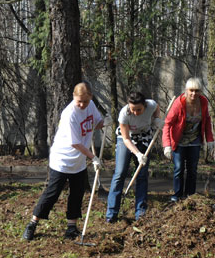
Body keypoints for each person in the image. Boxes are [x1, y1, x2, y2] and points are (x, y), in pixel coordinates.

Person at [22, 82, 104, 241]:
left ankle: (71, 228)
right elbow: (75, 143)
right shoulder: (69, 114)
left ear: (90, 98)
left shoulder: (91, 105)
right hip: (62, 160)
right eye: (78, 101)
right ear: (74, 97)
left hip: (78, 162)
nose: (81, 104)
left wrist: (105, 122)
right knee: (52, 194)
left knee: (77, 193)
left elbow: (96, 124)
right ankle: (32, 224)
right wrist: (93, 157)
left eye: (85, 101)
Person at [106, 91, 163, 222]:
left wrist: (157, 119)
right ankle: (111, 214)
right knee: (120, 173)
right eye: (133, 109)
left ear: (144, 106)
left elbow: (156, 108)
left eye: (139, 110)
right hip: (125, 139)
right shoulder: (124, 114)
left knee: (142, 175)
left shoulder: (151, 105)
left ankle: (140, 213)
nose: (136, 113)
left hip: (143, 137)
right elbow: (126, 139)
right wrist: (137, 154)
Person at [162, 77, 215, 202]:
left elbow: (207, 120)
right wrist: (167, 145)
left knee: (192, 169)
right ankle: (177, 195)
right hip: (178, 140)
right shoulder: (179, 104)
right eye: (191, 90)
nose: (193, 94)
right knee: (179, 169)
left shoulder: (203, 102)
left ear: (200, 91)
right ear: (186, 90)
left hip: (194, 140)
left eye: (197, 91)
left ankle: (190, 195)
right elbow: (167, 124)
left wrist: (210, 139)